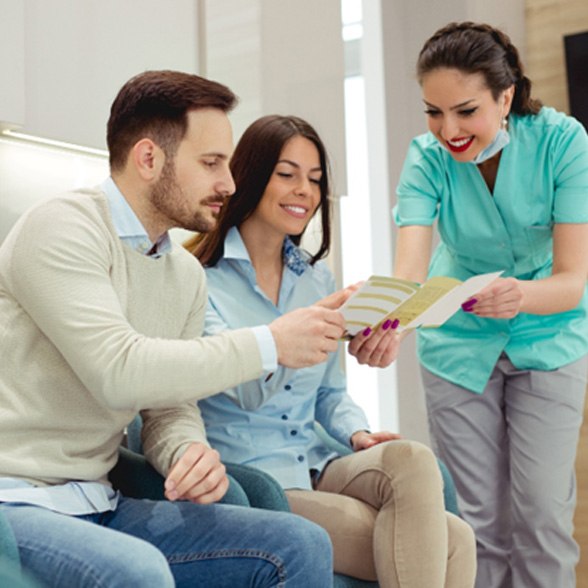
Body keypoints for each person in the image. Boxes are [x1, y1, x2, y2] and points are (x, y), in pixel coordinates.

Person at [0, 70, 344, 587]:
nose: (228, 184)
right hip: (15, 500)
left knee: (297, 544)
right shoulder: (61, 229)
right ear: (148, 159)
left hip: (100, 501)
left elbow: (168, 406)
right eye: (211, 164)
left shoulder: (182, 273)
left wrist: (185, 450)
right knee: (137, 572)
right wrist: (269, 343)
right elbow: (119, 371)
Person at [187, 114, 477, 588]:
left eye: (315, 179)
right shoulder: (198, 280)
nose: (304, 189)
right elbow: (244, 393)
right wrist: (299, 330)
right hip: (257, 479)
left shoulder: (315, 279)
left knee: (414, 461)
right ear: (251, 175)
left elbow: (329, 394)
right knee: (453, 542)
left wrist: (357, 433)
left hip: (319, 460)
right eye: (287, 174)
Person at [392, 21, 588, 588]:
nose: (448, 130)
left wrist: (520, 295)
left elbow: (573, 280)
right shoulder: (425, 159)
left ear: (506, 96)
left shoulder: (562, 141)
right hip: (455, 341)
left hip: (549, 335)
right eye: (433, 112)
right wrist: (386, 322)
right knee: (476, 524)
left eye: (465, 111)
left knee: (543, 517)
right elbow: (409, 271)